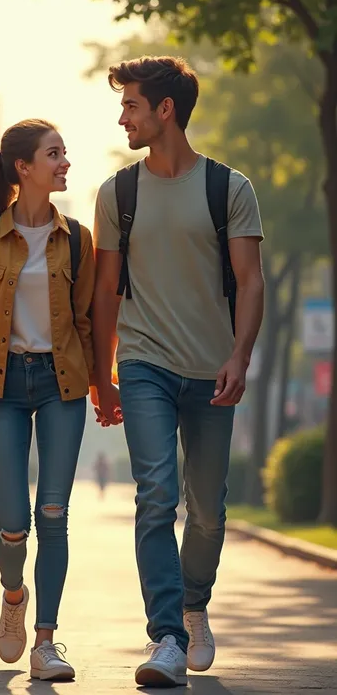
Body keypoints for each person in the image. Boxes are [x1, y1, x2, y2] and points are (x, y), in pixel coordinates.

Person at [92, 56, 264, 687]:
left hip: (213, 371)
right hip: (144, 365)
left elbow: (250, 281)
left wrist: (240, 355)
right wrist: (101, 375)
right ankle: (166, 635)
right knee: (156, 494)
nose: (122, 117)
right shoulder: (118, 192)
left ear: (166, 110)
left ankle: (195, 605)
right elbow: (106, 292)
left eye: (131, 105)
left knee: (209, 510)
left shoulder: (229, 188)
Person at [0, 119, 95, 681]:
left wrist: (102, 384)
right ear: (23, 167)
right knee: (13, 523)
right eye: (54, 154)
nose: (64, 162)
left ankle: (46, 642)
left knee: (53, 514)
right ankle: (13, 596)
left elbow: (85, 322)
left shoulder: (77, 238)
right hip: (1, 387)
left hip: (60, 385)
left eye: (65, 153)